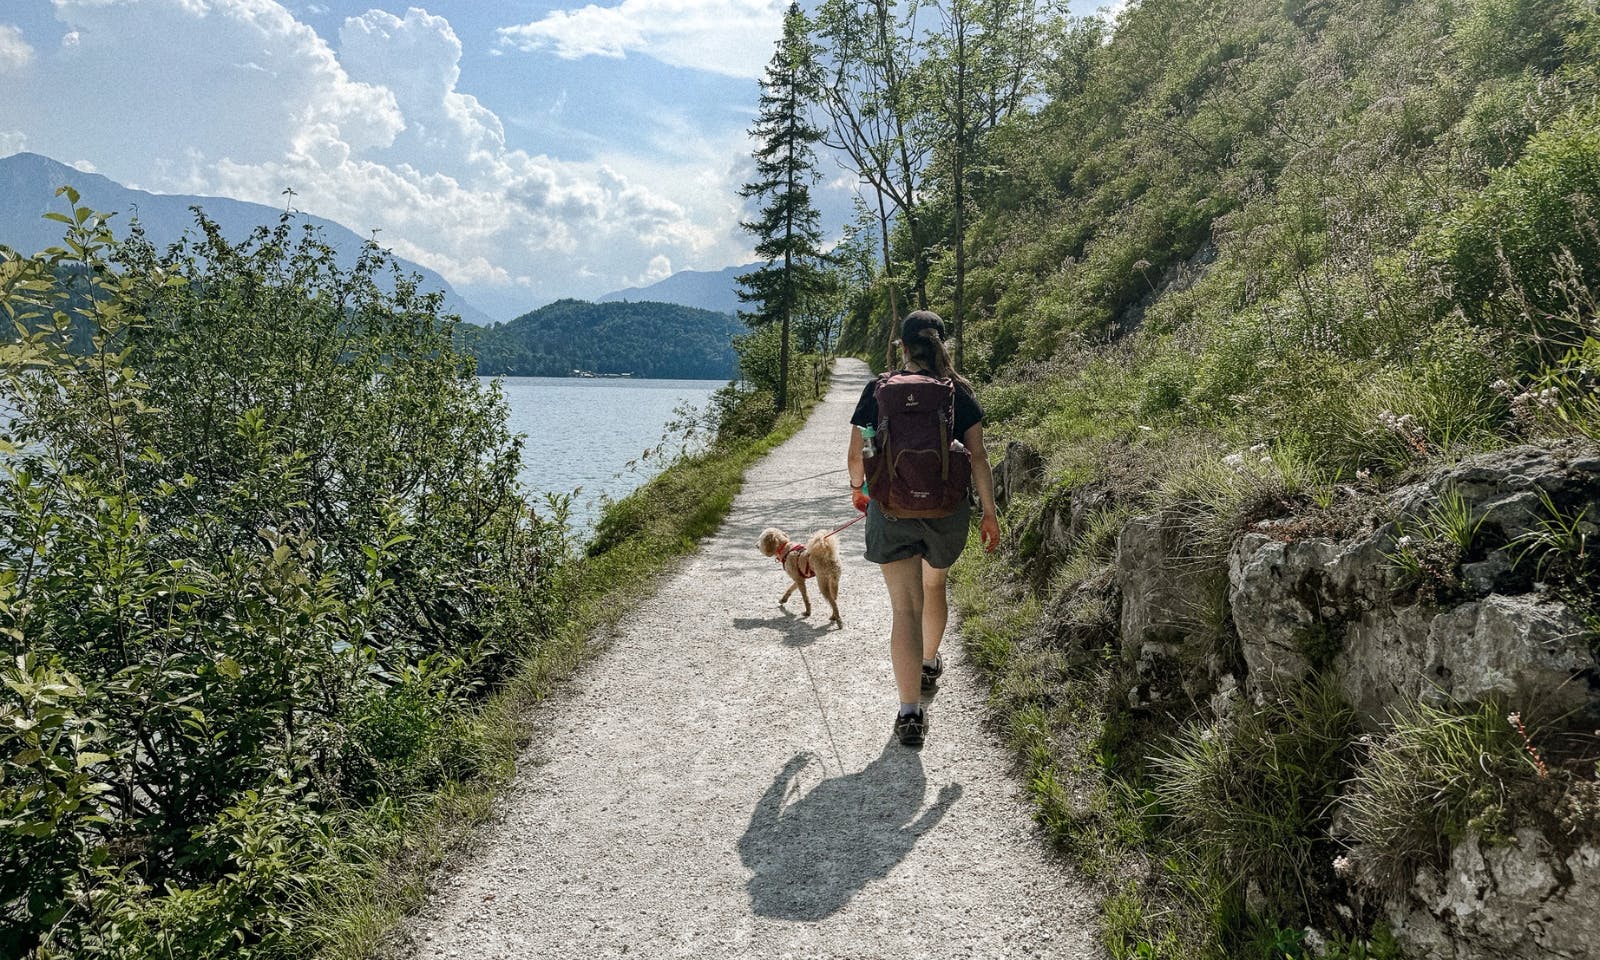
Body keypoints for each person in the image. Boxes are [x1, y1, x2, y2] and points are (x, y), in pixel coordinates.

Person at [847, 311, 1000, 747]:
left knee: (905, 610)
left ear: (902, 346)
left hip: (891, 510)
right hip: (946, 512)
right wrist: (989, 512)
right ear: (940, 345)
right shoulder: (959, 392)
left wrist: (859, 490)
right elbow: (979, 458)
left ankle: (910, 712)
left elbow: (857, 454)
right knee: (934, 590)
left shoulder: (879, 390)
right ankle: (930, 662)